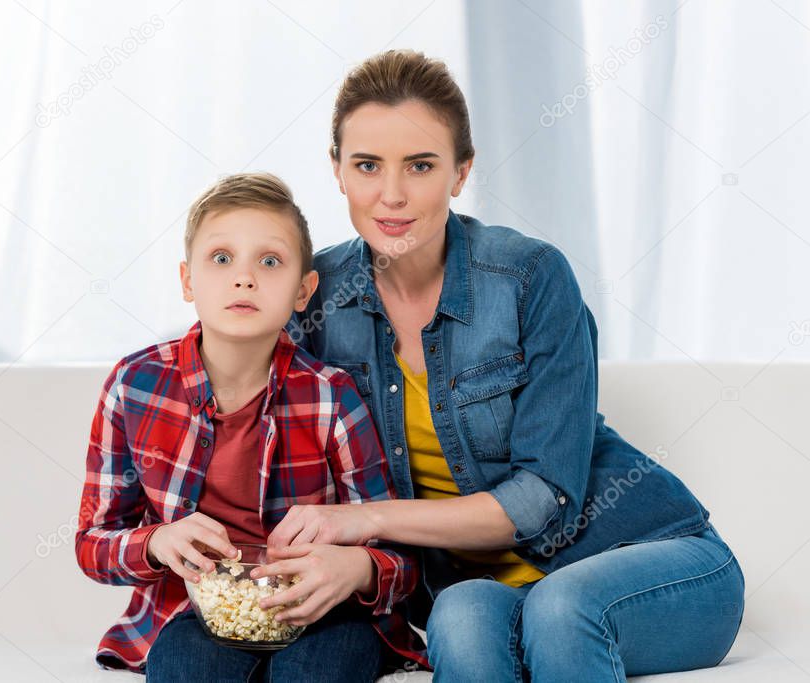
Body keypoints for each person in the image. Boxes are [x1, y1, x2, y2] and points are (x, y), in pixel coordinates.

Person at [272, 50, 745, 682]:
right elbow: (234, 374)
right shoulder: (316, 297)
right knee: (458, 619)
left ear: (461, 172)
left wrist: (365, 520)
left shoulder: (529, 277)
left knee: (560, 608)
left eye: (420, 165)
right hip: (479, 583)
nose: (391, 194)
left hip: (654, 560)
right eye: (366, 165)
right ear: (336, 171)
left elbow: (542, 498)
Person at [74, 172, 428, 680]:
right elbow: (93, 542)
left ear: (304, 290)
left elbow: (398, 552)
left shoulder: (331, 395)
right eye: (221, 259)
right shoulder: (135, 386)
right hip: (195, 612)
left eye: (270, 261)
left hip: (325, 612)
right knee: (185, 672)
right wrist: (156, 542)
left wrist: (359, 569)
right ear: (187, 280)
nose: (244, 278)